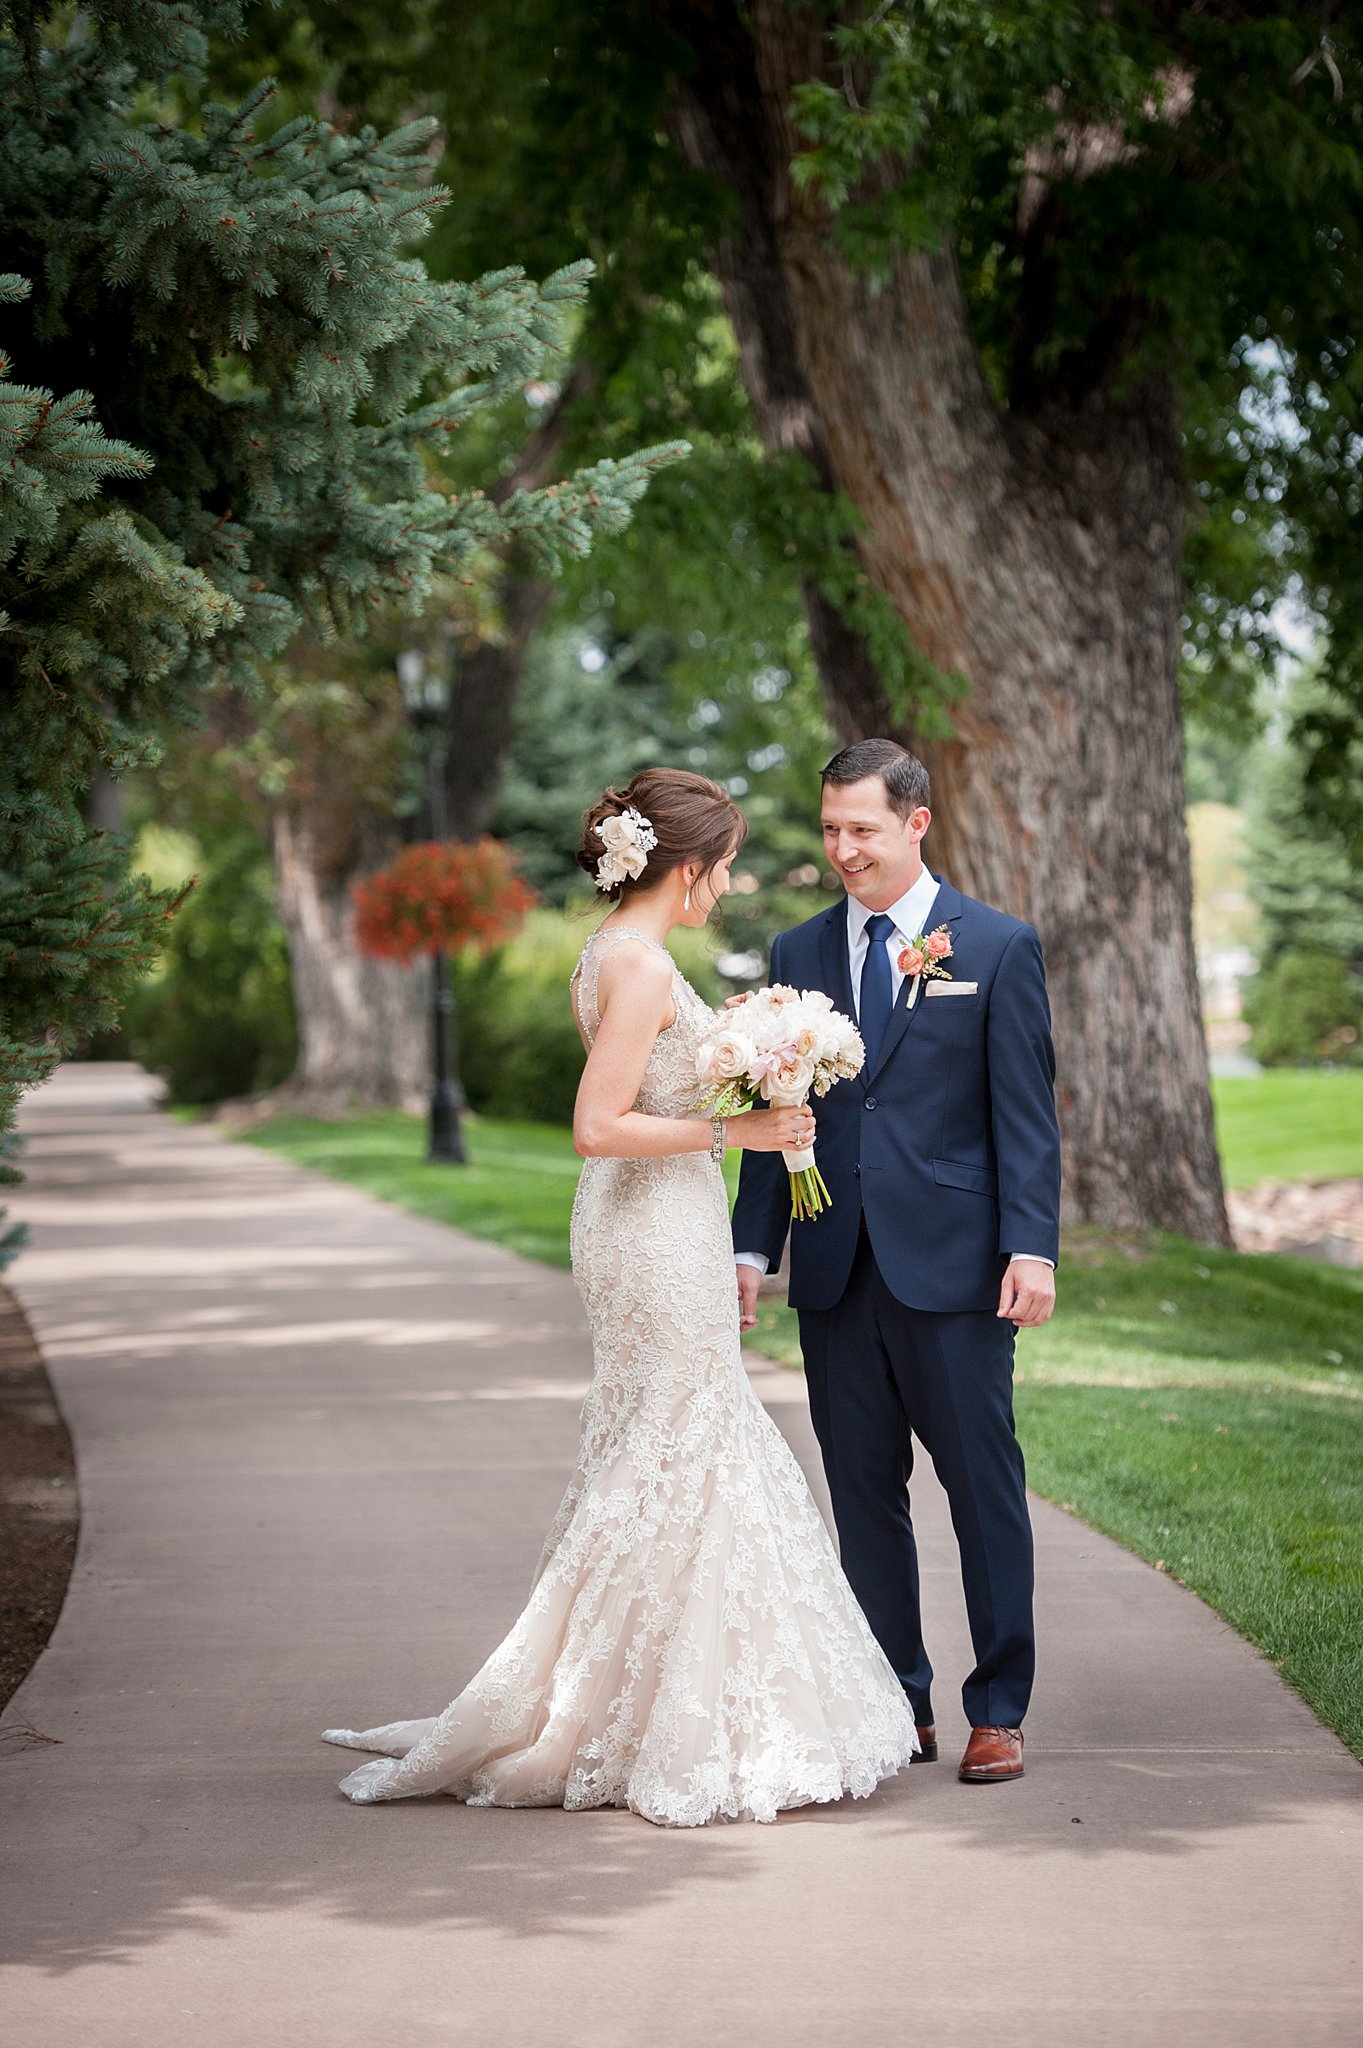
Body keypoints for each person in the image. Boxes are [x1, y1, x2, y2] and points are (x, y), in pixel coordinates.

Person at [323, 767, 918, 1826]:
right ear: (684, 865)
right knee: (683, 1440)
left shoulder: (612, 952)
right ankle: (643, 1711)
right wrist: (743, 1128)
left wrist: (748, 1079)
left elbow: (645, 1094)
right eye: (725, 866)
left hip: (653, 1213)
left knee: (665, 1445)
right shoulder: (638, 962)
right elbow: (598, 1121)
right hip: (650, 1221)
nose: (728, 887)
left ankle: (622, 1695)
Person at [731, 739, 1061, 1786]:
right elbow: (770, 1108)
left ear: (917, 823)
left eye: (861, 829)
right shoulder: (797, 948)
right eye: (829, 828)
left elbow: (1026, 1120)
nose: (842, 848)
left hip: (956, 1270)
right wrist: (752, 1245)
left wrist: (1031, 1245)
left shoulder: (997, 948)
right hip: (833, 1272)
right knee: (863, 1494)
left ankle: (998, 1705)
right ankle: (893, 1697)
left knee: (981, 1491)